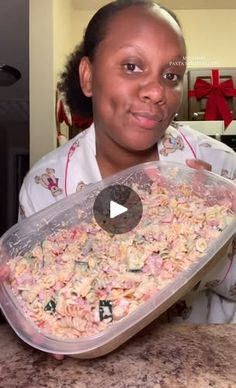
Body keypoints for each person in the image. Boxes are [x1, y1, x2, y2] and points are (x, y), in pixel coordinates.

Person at [1, 0, 236, 330]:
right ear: (87, 76)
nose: (156, 91)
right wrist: (35, 307)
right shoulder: (46, 186)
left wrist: (212, 238)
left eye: (171, 75)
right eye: (132, 66)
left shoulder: (221, 168)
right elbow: (42, 305)